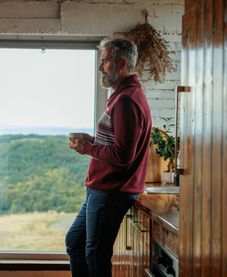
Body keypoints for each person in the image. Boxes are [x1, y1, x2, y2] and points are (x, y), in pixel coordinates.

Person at [65, 37, 152, 277]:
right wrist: (92, 140)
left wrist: (87, 148)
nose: (101, 66)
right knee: (75, 242)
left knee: (95, 254)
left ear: (122, 63)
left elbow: (123, 154)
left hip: (110, 192)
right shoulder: (123, 94)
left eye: (105, 61)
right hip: (102, 190)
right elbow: (116, 142)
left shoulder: (126, 100)